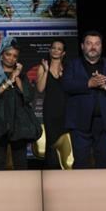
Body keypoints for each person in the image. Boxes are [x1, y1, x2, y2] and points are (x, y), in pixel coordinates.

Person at [62, 31, 106, 169]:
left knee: (104, 163)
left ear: (101, 46)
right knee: (81, 164)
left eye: (97, 44)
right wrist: (88, 84)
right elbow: (66, 85)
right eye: (89, 43)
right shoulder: (72, 64)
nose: (93, 47)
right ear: (82, 46)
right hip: (79, 123)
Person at [0, 38, 38, 170]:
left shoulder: (21, 76)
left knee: (21, 162)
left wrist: (16, 77)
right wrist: (8, 82)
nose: (11, 58)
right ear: (1, 56)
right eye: (8, 54)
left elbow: (28, 96)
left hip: (18, 124)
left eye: (14, 56)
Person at [35, 39, 67, 168]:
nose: (56, 50)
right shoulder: (43, 67)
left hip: (66, 109)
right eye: (54, 48)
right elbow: (40, 89)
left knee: (65, 139)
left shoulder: (68, 68)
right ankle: (52, 169)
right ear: (49, 50)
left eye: (59, 49)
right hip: (50, 110)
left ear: (63, 53)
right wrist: (46, 70)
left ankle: (65, 167)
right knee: (52, 140)